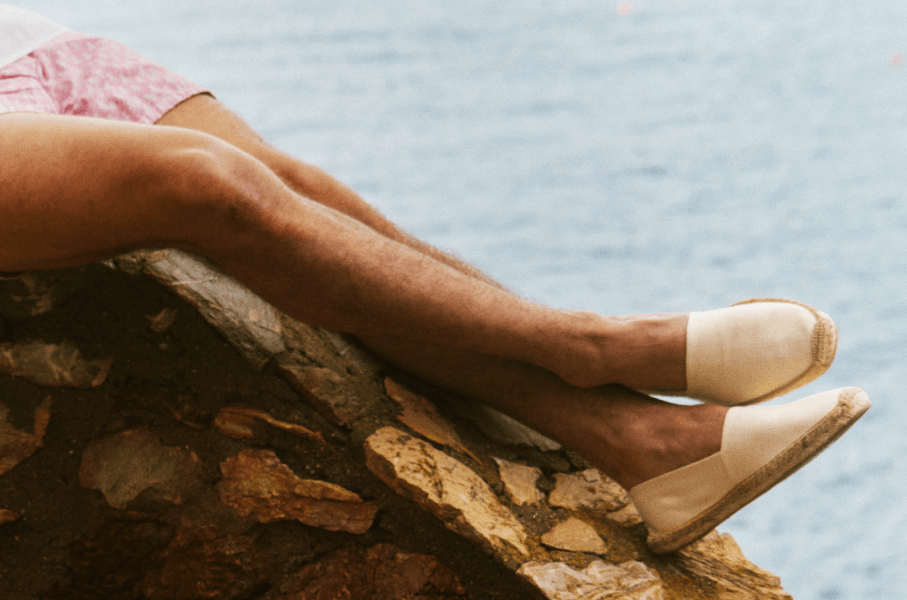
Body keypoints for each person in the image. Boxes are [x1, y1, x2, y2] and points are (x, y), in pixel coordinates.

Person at [0, 4, 870, 554]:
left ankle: (648, 448)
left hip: (25, 43)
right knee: (205, 187)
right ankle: (596, 344)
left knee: (309, 201)